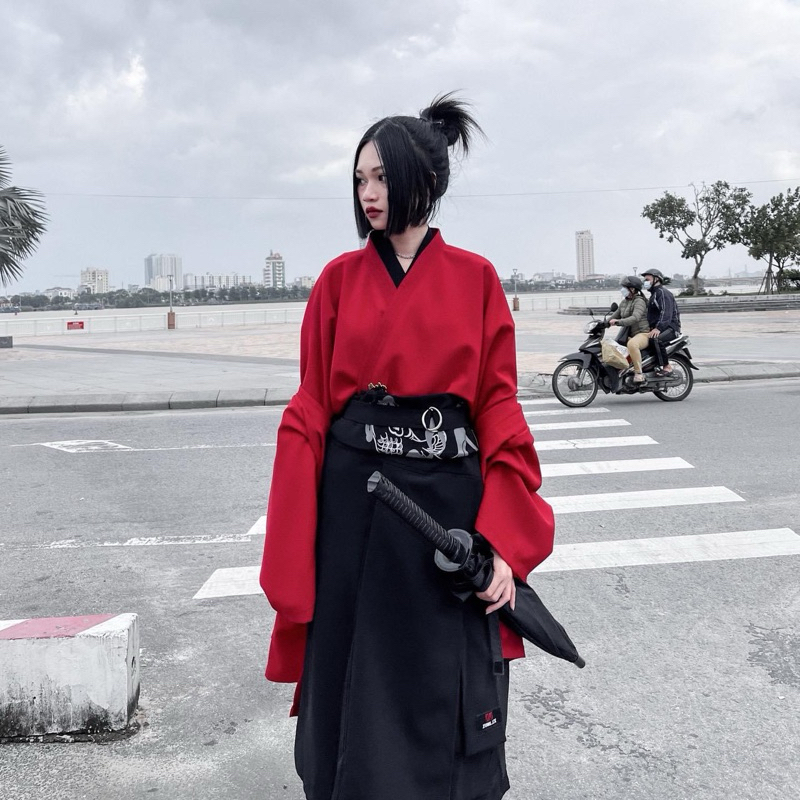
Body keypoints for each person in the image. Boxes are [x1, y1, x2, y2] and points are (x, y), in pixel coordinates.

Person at [259, 94, 554, 800]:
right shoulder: (337, 281)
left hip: (444, 519)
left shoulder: (476, 278)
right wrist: (293, 541)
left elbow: (497, 407)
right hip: (355, 515)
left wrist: (503, 542)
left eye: (382, 177)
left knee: (443, 679)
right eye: (360, 179)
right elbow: (311, 405)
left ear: (423, 180)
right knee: (352, 680)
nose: (368, 193)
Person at [608, 276, 649, 383]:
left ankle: (639, 373)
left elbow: (635, 317)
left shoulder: (639, 301)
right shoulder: (624, 302)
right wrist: (602, 324)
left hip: (643, 333)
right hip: (630, 334)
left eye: (625, 287)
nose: (622, 289)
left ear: (632, 289)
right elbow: (614, 316)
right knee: (612, 345)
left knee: (632, 344)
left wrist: (618, 322)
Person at [640, 268, 681, 375]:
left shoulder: (663, 293)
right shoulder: (654, 294)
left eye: (647, 280)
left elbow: (666, 313)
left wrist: (658, 328)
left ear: (656, 279)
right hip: (661, 327)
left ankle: (666, 366)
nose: (645, 282)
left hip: (671, 328)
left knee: (655, 339)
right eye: (645, 280)